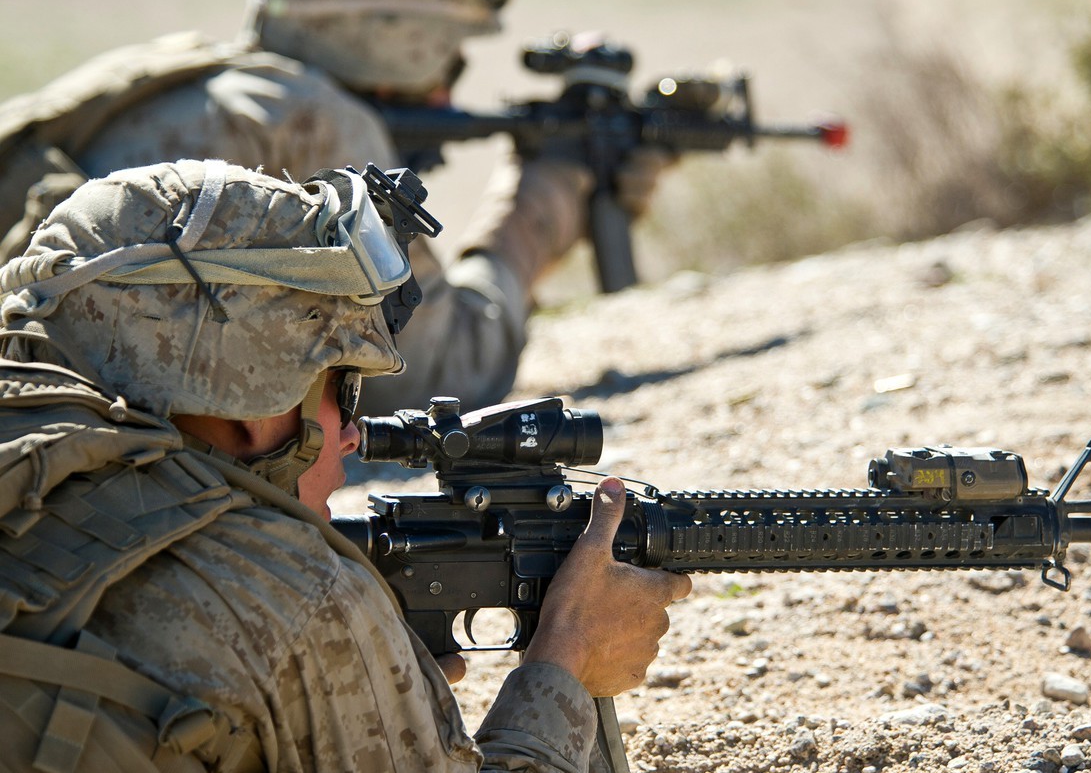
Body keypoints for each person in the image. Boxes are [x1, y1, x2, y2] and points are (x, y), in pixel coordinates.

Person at [0, 159, 691, 772]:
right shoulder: (293, 596)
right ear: (255, 397)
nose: (354, 434)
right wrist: (564, 664)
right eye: (339, 386)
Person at [0, 0, 670, 415]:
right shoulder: (320, 123)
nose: (449, 87)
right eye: (449, 53)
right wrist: (542, 209)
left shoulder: (198, 85)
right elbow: (444, 374)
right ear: (395, 41)